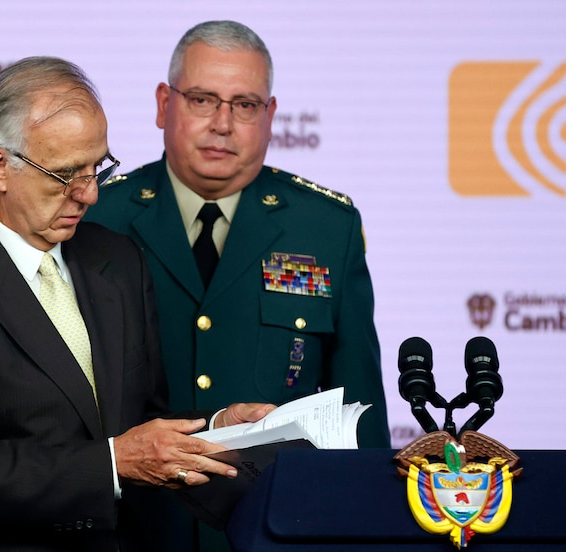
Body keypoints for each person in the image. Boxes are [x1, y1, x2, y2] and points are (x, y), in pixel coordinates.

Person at [0, 56, 274, 552]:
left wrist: (216, 429)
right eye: (66, 174)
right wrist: (112, 464)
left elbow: (139, 420)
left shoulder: (117, 259)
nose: (88, 194)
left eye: (97, 167)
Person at [83, 20, 391, 551]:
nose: (222, 124)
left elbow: (359, 413)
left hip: (274, 532)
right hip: (131, 531)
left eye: (245, 105)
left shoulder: (325, 226)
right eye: (202, 99)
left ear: (270, 116)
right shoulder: (96, 217)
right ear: (163, 104)